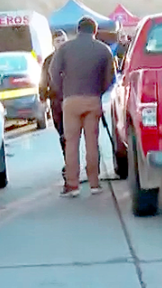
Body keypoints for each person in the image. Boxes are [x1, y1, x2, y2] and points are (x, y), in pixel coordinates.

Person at [50, 17, 115, 198]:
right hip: (93, 99)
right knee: (92, 142)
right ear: (95, 31)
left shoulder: (64, 48)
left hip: (70, 100)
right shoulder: (104, 50)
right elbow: (111, 77)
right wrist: (99, 91)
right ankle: (94, 183)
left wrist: (63, 90)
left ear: (78, 30)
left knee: (71, 143)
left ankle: (73, 185)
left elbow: (53, 72)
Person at [39, 30, 69, 184]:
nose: (61, 43)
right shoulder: (48, 61)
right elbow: (43, 80)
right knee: (63, 133)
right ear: (53, 44)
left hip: (73, 98)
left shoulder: (73, 56)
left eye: (63, 40)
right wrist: (42, 97)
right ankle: (69, 161)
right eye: (58, 41)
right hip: (56, 101)